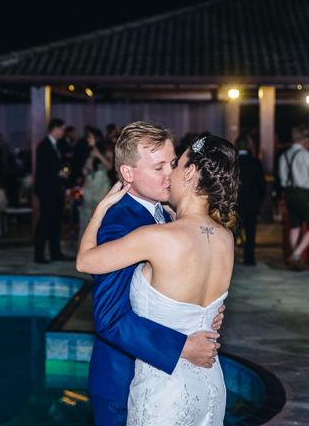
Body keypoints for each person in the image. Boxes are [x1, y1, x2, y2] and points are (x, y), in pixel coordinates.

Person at [77, 132, 238, 425]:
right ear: (128, 173)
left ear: (189, 173)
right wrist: (185, 341)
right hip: (126, 381)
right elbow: (110, 316)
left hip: (166, 388)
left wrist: (207, 315)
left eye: (172, 164)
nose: (168, 175)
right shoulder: (121, 221)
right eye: (158, 167)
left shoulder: (167, 222)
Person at [278, 125, 309, 269]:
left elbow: (282, 177)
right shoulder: (307, 155)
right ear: (305, 139)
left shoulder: (283, 155)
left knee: (295, 226)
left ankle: (295, 258)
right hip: (304, 193)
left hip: (288, 193)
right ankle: (296, 254)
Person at [33, 118, 72, 263]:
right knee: (45, 221)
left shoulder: (57, 145)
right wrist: (58, 173)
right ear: (55, 129)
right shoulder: (44, 146)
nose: (63, 132)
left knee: (56, 222)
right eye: (62, 129)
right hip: (47, 191)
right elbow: (43, 170)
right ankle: (39, 254)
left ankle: (56, 252)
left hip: (56, 189)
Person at [236, 135, 266, 266]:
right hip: (252, 203)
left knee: (233, 232)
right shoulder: (256, 162)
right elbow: (262, 185)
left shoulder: (233, 162)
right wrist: (259, 201)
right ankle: (249, 259)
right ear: (248, 146)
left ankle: (231, 258)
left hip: (236, 203)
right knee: (251, 232)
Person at [79, 127, 113, 228]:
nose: (88, 139)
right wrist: (86, 169)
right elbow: (85, 170)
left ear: (96, 138)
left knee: (100, 215)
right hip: (89, 187)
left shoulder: (107, 151)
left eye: (90, 137)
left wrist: (99, 155)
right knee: (86, 216)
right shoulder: (87, 151)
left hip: (101, 187)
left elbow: (110, 167)